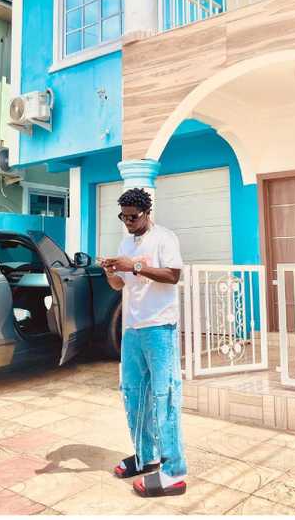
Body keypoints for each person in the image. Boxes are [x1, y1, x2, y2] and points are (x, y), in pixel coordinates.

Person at [99, 187, 187, 498]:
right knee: (133, 394)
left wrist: (133, 265)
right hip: (132, 328)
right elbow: (118, 285)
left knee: (165, 395)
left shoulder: (165, 238)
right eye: (123, 217)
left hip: (159, 327)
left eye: (133, 217)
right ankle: (146, 455)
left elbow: (173, 275)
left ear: (147, 213)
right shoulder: (126, 241)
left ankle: (174, 471)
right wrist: (111, 271)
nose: (128, 222)